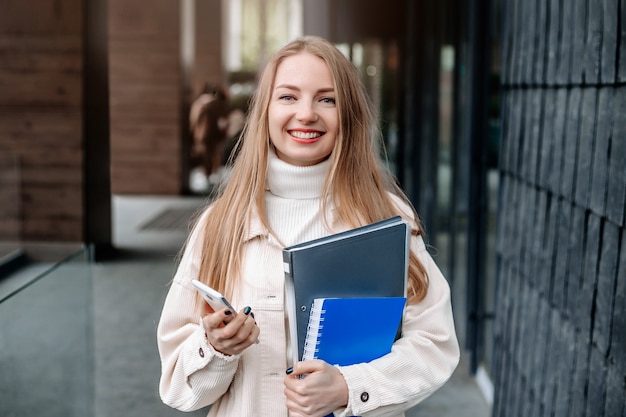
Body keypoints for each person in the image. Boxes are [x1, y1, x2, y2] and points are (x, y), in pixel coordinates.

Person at [157, 36, 460, 417]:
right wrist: (215, 347)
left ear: (347, 114)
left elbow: (435, 344)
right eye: (288, 97)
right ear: (264, 111)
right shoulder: (219, 225)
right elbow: (178, 387)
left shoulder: (386, 217)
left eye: (326, 99)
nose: (306, 114)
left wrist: (351, 387)